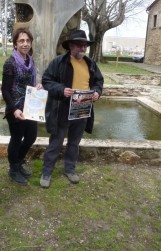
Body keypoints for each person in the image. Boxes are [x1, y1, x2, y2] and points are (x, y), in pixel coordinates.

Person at [40, 29, 104, 188]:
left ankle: (69, 169)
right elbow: (46, 81)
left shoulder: (90, 63)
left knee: (74, 143)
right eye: (79, 45)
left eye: (85, 46)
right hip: (62, 108)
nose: (83, 49)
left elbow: (98, 82)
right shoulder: (59, 62)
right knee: (56, 143)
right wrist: (61, 89)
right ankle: (46, 172)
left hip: (82, 108)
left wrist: (97, 92)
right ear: (70, 46)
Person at [1, 28, 43, 185]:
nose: (25, 44)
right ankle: (13, 168)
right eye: (21, 41)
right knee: (17, 139)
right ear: (15, 43)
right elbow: (5, 90)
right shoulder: (10, 63)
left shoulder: (30, 61)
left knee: (31, 137)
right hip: (16, 108)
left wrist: (37, 85)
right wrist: (14, 108)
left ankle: (18, 162)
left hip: (31, 106)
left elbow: (30, 83)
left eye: (27, 41)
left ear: (31, 43)